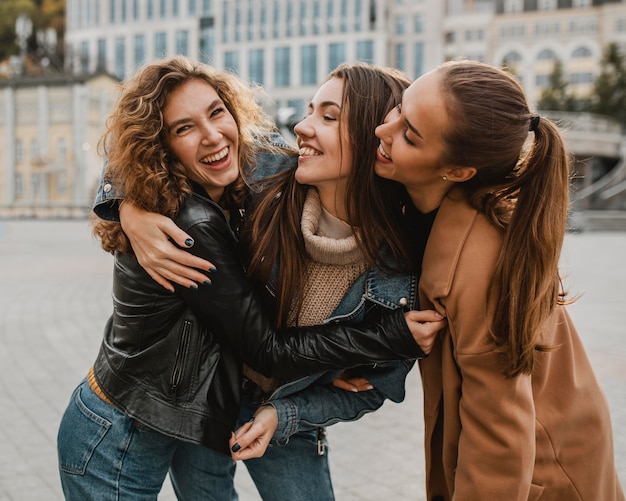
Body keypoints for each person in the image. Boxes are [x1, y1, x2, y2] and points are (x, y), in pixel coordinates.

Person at [57, 57, 443, 501]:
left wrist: (290, 412)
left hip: (290, 407)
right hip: (211, 393)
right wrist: (128, 206)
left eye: (328, 116)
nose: (301, 126)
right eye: (310, 109)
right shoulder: (272, 173)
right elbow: (139, 146)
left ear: (374, 141)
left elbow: (372, 388)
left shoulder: (404, 270)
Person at [372, 59, 625, 500]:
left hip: (543, 471)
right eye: (397, 109)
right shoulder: (442, 209)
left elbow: (500, 433)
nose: (383, 130)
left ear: (457, 171)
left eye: (409, 135)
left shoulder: (477, 264)